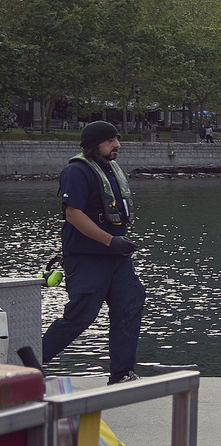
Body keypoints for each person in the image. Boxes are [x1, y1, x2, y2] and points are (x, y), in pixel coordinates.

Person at [42, 121, 145, 382]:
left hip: (118, 258)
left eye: (117, 139)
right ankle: (26, 368)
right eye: (110, 141)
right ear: (94, 145)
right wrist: (110, 240)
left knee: (129, 308)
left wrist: (118, 244)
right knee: (79, 317)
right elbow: (73, 214)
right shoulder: (77, 171)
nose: (117, 145)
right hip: (87, 258)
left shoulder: (111, 169)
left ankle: (122, 374)